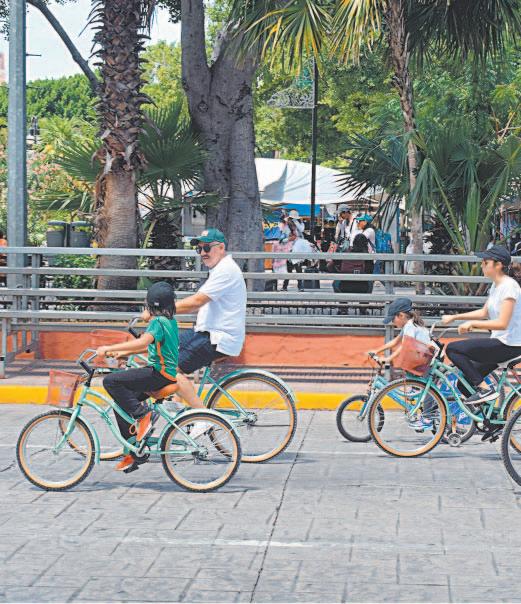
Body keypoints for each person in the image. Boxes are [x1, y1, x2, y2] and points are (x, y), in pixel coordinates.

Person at [96, 281, 179, 472]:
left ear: (151, 306)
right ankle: (133, 453)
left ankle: (143, 415)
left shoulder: (158, 322)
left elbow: (142, 342)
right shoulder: (170, 321)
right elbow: (149, 346)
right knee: (121, 405)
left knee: (110, 381)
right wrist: (121, 353)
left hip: (158, 374)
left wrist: (109, 348)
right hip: (165, 374)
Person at [173, 228, 247, 407]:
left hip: (218, 338)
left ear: (221, 248)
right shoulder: (218, 269)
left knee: (169, 369)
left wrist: (161, 310)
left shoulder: (226, 270)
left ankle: (202, 417)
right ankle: (176, 407)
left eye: (206, 248)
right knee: (166, 350)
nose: (202, 253)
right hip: (205, 332)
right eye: (199, 249)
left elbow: (197, 301)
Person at [442, 245, 521, 405]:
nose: (482, 265)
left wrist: (472, 324)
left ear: (498, 265)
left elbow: (502, 323)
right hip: (500, 342)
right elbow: (484, 312)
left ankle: (485, 390)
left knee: (453, 349)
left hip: (509, 345)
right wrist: (455, 317)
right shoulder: (496, 286)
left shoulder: (509, 287)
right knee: (464, 384)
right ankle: (490, 419)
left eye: (485, 262)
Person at [370, 298, 434, 429]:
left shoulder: (410, 326)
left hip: (429, 360)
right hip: (421, 359)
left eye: (393, 319)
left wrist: (388, 359)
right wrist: (377, 351)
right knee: (411, 378)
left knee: (430, 390)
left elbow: (404, 347)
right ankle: (416, 402)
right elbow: (395, 342)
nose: (392, 323)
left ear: (401, 315)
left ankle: (427, 419)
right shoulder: (408, 325)